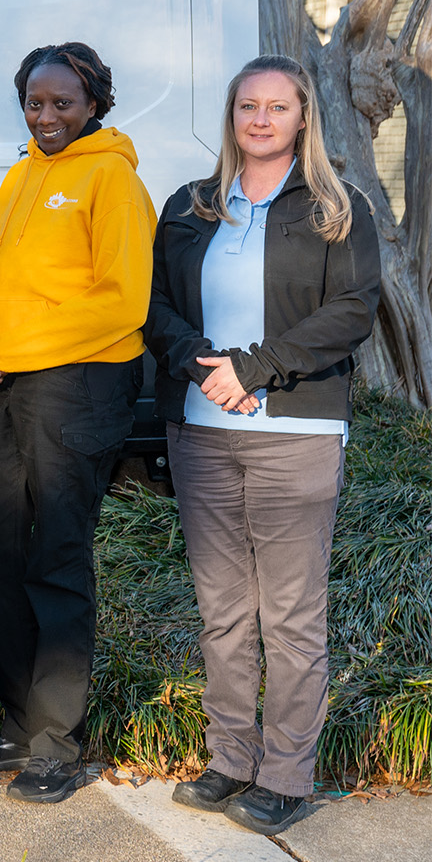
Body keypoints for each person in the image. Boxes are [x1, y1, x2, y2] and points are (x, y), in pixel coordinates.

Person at [145, 55, 378, 835]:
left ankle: (285, 774)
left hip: (295, 429)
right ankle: (230, 759)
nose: (261, 120)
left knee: (290, 612)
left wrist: (256, 367)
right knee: (222, 610)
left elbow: (352, 310)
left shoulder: (336, 208)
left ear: (302, 117)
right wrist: (201, 366)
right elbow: (155, 309)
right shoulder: (190, 206)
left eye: (278, 107)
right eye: (248, 106)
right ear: (232, 115)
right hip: (202, 431)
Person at [0, 42, 154, 804]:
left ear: (95, 102)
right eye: (35, 103)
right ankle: (20, 718)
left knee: (55, 556)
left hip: (81, 383)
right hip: (8, 381)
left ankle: (57, 742)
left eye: (62, 102)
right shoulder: (19, 176)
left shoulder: (112, 177)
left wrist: (16, 348)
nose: (46, 117)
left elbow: (120, 299)